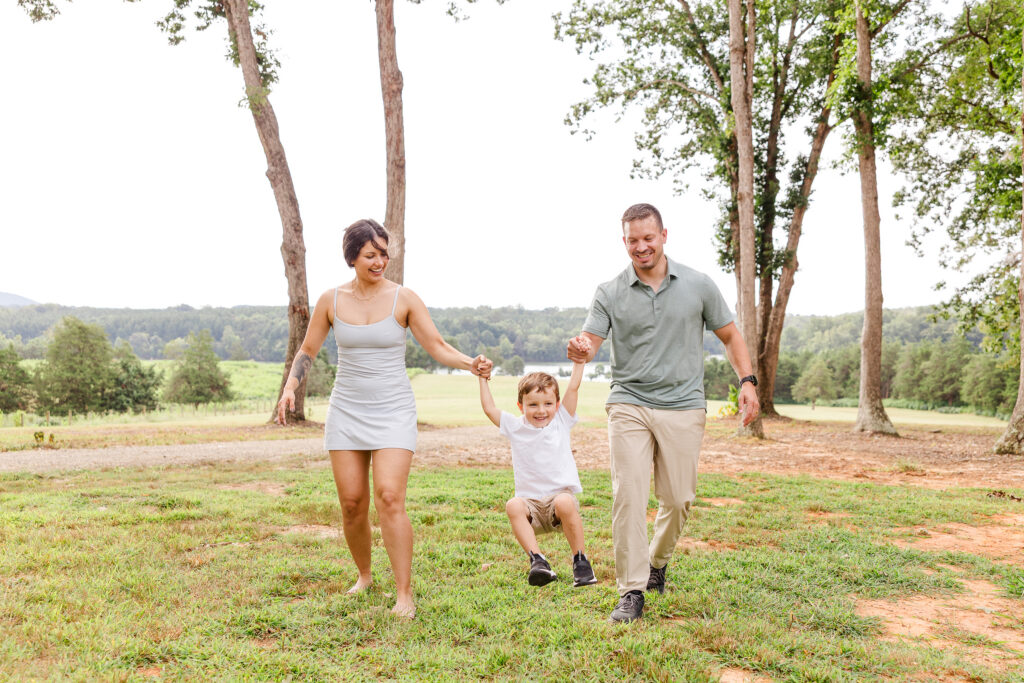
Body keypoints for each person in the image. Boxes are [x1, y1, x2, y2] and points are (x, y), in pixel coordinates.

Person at [276, 218, 492, 619]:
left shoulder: (403, 298)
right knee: (351, 503)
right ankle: (364, 576)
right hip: (347, 410)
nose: (379, 262)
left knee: (390, 497)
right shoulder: (330, 300)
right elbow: (307, 350)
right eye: (370, 255)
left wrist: (470, 363)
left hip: (393, 409)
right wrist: (291, 386)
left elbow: (436, 345)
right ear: (352, 258)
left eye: (384, 254)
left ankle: (404, 593)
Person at [567, 203, 760, 624]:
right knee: (629, 495)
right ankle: (631, 591)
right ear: (624, 242)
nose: (641, 247)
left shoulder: (698, 285)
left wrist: (747, 381)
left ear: (664, 236)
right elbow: (590, 342)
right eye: (632, 240)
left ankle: (657, 561)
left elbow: (730, 336)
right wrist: (581, 348)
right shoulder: (609, 291)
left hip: (684, 404)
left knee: (678, 499)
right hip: (629, 403)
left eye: (648, 238)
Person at [477, 351, 598, 588]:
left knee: (564, 501)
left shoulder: (561, 421)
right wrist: (482, 378)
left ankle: (581, 562)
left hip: (558, 505)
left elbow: (573, 388)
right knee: (513, 505)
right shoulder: (515, 426)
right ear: (520, 406)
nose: (541, 410)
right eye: (533, 404)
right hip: (531, 506)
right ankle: (538, 561)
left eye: (548, 404)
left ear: (557, 405)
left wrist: (579, 363)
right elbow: (489, 409)